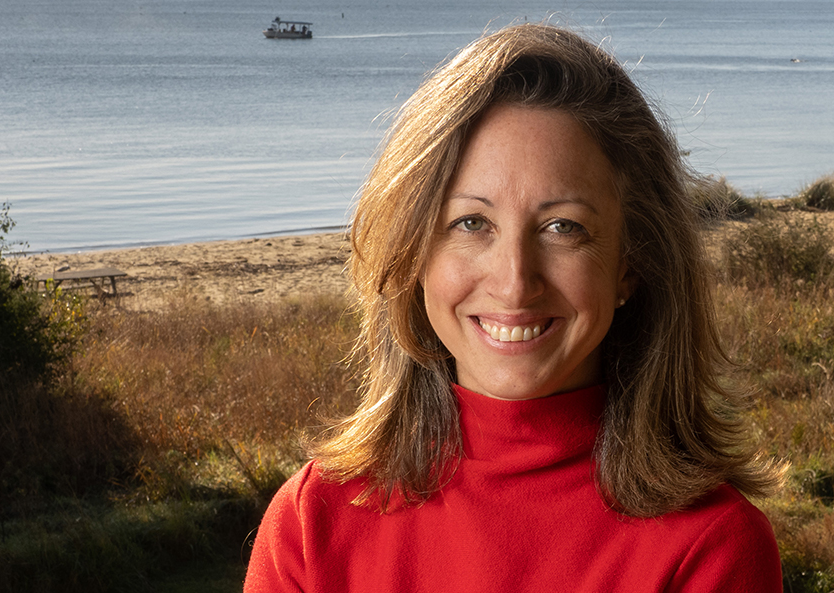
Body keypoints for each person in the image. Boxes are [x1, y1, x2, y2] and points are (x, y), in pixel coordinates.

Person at [245, 23, 785, 592]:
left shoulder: (712, 545)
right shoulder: (313, 523)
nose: (514, 282)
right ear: (414, 253)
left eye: (562, 227)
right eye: (471, 223)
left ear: (632, 261)